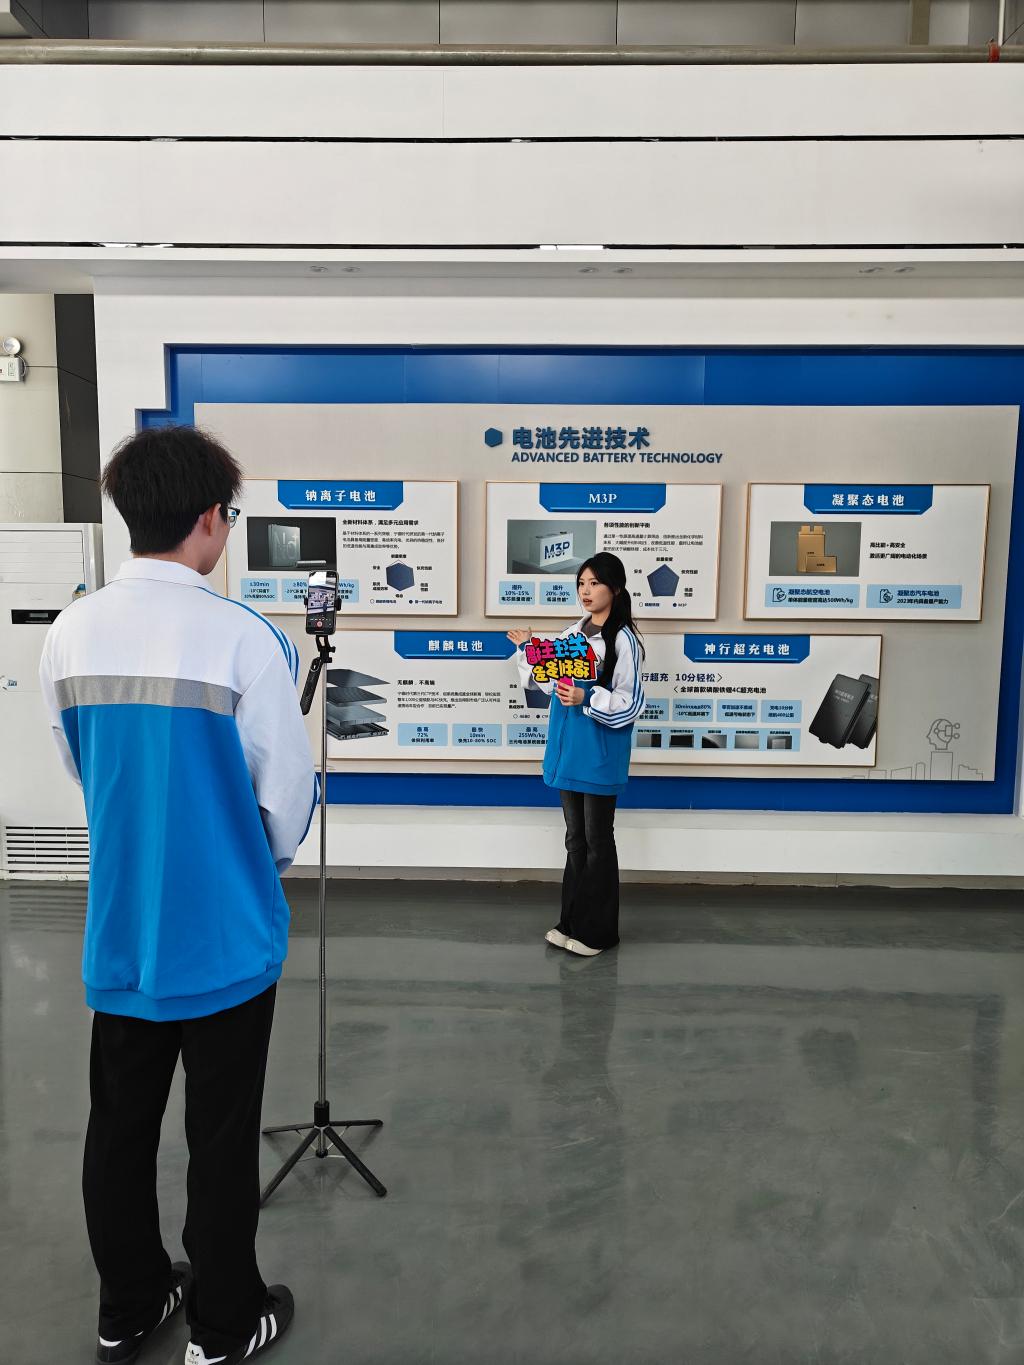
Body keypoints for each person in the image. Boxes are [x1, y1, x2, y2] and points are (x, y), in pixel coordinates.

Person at [39, 425, 318, 1365]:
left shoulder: (72, 630)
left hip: (122, 929)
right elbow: (285, 800)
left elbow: (81, 765)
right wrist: (242, 857)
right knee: (221, 1137)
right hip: (225, 935)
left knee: (119, 1128)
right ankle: (224, 1325)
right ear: (209, 518)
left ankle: (128, 1306)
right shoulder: (246, 638)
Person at [508, 552, 645, 956]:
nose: (586, 591)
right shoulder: (572, 632)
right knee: (575, 840)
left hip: (599, 754)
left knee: (598, 840)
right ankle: (571, 922)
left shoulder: (624, 641)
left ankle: (598, 933)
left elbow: (632, 703)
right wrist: (529, 650)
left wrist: (589, 697)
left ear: (615, 588)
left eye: (594, 583)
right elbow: (546, 683)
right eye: (581, 583)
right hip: (568, 750)